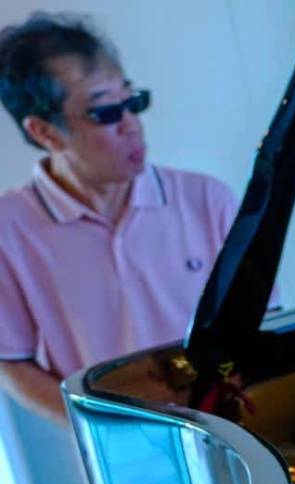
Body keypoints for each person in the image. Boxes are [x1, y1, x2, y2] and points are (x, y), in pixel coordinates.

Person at [0, 13, 238, 424]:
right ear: (45, 132)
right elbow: (12, 363)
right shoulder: (10, 229)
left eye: (133, 103)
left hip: (235, 435)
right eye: (105, 114)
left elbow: (262, 326)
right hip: (123, 464)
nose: (132, 126)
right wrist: (105, 429)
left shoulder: (206, 199)